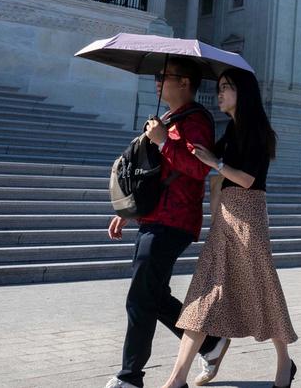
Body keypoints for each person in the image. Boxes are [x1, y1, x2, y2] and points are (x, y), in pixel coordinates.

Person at [159, 68, 298, 388]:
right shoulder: (230, 132)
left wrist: (215, 163)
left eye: (226, 88)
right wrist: (166, 138)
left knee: (262, 291)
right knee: (203, 296)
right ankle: (176, 379)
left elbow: (248, 179)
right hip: (223, 221)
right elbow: (200, 161)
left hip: (249, 219)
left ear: (243, 93)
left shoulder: (258, 133)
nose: (220, 93)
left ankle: (283, 363)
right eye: (219, 88)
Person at [105, 58, 229, 388]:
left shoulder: (197, 120)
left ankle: (130, 378)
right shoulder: (168, 119)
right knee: (152, 295)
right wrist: (127, 210)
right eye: (158, 76)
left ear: (185, 83)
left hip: (174, 221)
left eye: (165, 76)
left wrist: (163, 141)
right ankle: (209, 343)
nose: (158, 81)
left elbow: (200, 168)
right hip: (154, 217)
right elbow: (153, 175)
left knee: (139, 298)